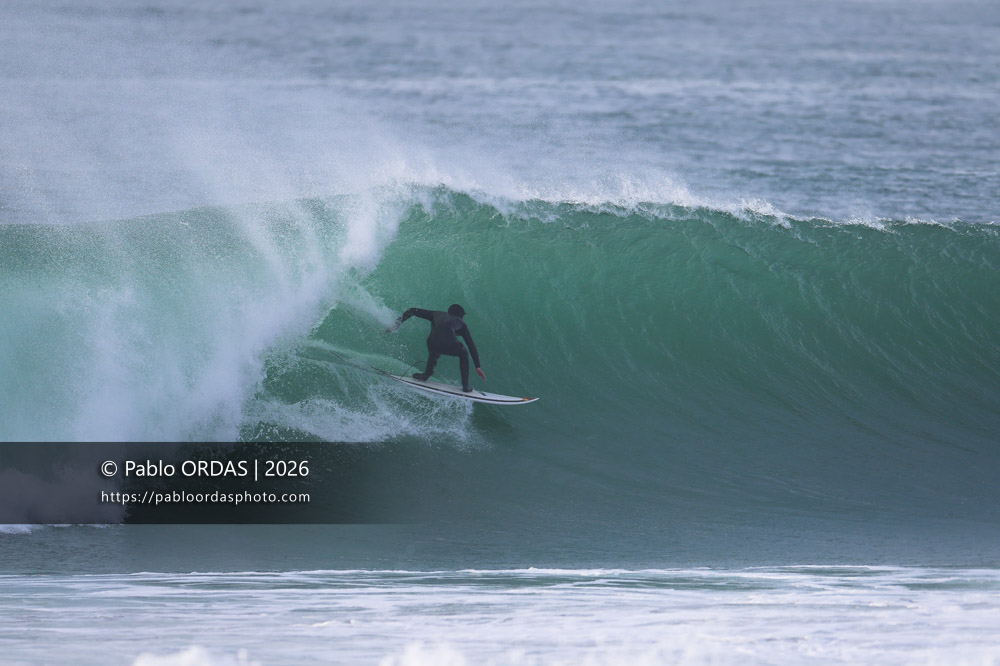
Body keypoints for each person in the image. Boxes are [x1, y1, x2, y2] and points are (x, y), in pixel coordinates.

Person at [389, 304, 486, 392]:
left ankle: (425, 375)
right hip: (449, 343)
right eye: (463, 316)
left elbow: (412, 310)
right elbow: (471, 345)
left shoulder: (437, 314)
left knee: (435, 351)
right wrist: (478, 366)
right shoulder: (461, 323)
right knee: (464, 353)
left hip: (431, 342)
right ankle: (466, 386)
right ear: (460, 315)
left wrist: (397, 324)